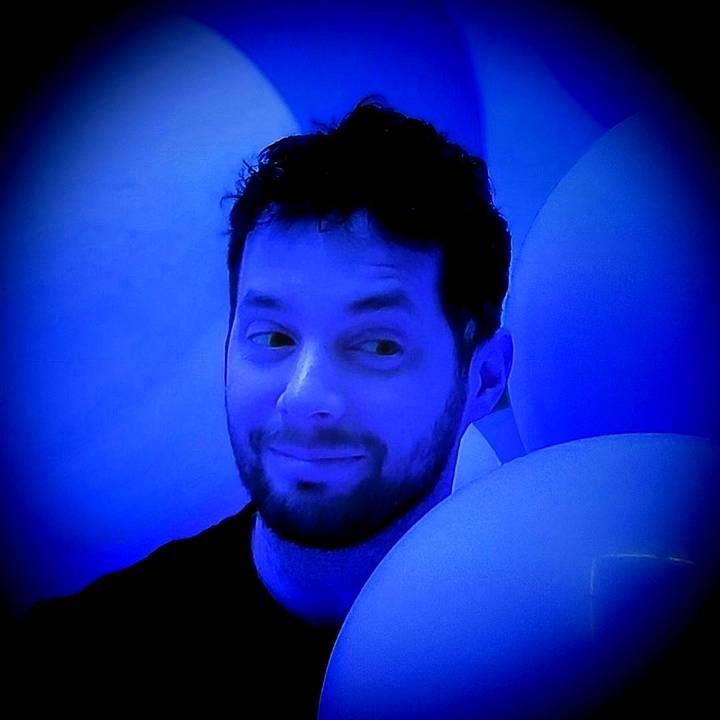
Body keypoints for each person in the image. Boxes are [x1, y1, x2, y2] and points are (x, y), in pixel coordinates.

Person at [12, 98, 512, 715]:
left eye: (379, 345)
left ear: (484, 378)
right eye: (273, 337)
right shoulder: (71, 660)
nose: (303, 398)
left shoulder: (571, 655)